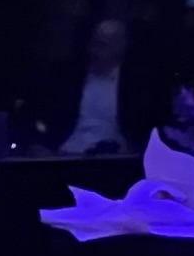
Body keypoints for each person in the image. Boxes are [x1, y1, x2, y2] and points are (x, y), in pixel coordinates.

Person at [47, 15, 133, 156]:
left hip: (115, 157)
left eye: (102, 45)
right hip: (67, 153)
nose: (95, 51)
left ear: (120, 47)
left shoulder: (133, 85)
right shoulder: (70, 80)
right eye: (94, 44)